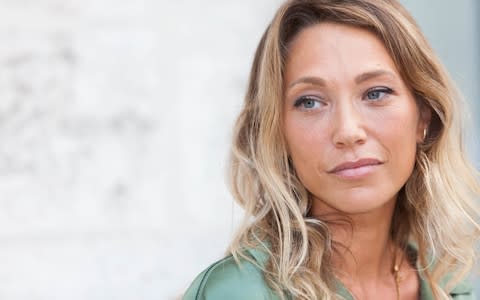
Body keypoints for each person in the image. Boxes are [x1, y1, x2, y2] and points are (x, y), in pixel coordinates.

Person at [183, 0, 480, 299]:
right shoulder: (239, 291)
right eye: (310, 101)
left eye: (375, 93)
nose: (348, 132)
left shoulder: (446, 281)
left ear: (424, 116)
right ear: (277, 132)